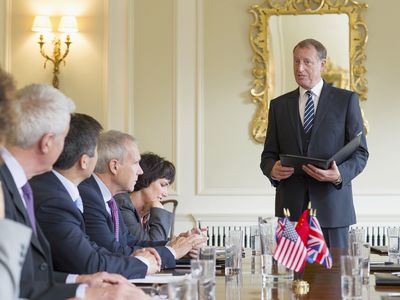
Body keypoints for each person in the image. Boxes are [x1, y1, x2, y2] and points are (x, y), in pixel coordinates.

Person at [0, 82, 149, 299]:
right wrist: (88, 294)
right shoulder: (9, 186)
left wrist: (79, 282)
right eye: (65, 137)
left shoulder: (23, 185)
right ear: (47, 142)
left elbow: (28, 275)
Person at [260, 39, 369, 248]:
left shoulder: (346, 101)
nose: (299, 68)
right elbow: (268, 155)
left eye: (307, 62)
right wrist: (271, 169)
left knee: (333, 279)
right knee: (292, 279)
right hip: (290, 212)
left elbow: (361, 152)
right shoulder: (278, 106)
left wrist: (339, 175)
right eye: (296, 62)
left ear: (323, 64)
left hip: (333, 211)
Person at [30, 113, 161, 278]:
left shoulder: (60, 191)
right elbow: (89, 263)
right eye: (97, 152)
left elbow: (93, 250)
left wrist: (138, 260)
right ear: (84, 161)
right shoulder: (55, 199)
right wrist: (143, 264)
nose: (100, 160)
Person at [78, 130, 206, 269]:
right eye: (136, 163)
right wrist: (172, 251)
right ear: (114, 166)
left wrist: (177, 244)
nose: (141, 171)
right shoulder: (89, 196)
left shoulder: (109, 199)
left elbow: (130, 242)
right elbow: (113, 251)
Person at [114, 152, 175, 241]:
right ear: (146, 179)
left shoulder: (145, 210)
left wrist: (183, 242)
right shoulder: (122, 204)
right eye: (162, 185)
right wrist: (158, 208)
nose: (165, 193)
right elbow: (152, 246)